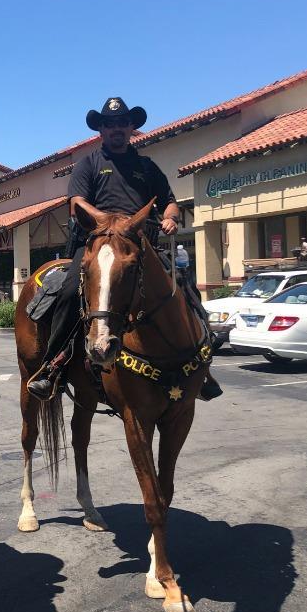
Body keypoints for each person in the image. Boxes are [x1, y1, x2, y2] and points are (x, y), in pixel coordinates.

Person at [27, 97, 222, 402]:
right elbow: (76, 202)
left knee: (184, 285)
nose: (116, 129)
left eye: (122, 123)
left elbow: (168, 200)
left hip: (141, 244)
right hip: (99, 243)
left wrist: (170, 217)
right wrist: (113, 222)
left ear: (132, 128)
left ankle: (203, 363)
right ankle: (54, 365)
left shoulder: (146, 166)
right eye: (109, 124)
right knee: (67, 293)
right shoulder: (88, 164)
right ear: (101, 130)